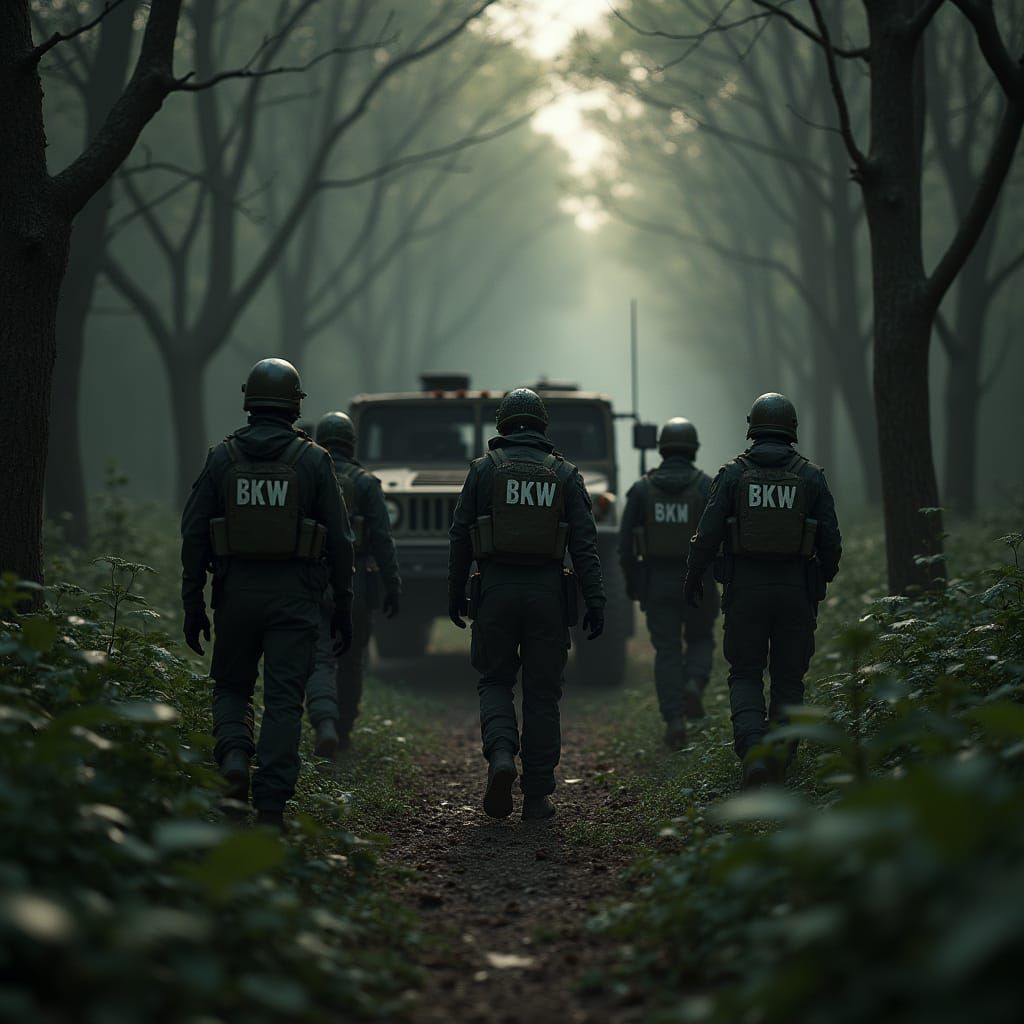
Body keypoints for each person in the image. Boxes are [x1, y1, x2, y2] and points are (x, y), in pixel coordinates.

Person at [180, 358, 354, 830]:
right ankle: (272, 806)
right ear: (296, 405)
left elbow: (194, 533)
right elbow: (340, 541)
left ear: (248, 401)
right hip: (296, 600)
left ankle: (235, 759)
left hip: (234, 595)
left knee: (233, 686)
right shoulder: (314, 461)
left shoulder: (223, 458)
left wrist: (193, 602)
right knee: (282, 700)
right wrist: (343, 607)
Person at [448, 387, 605, 821]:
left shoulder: (483, 470)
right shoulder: (566, 474)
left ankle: (501, 756)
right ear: (542, 425)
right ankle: (537, 796)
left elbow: (460, 536)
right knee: (542, 693)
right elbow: (586, 547)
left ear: (502, 424)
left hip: (495, 591)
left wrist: (454, 593)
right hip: (548, 596)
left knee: (495, 681)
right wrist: (596, 600)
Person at [683, 393, 841, 789]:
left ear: (752, 426)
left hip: (746, 590)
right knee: (789, 678)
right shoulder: (811, 477)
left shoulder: (733, 475)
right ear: (791, 428)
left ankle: (753, 754)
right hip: (796, 591)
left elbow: (708, 533)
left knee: (746, 673)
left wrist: (694, 573)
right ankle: (780, 759)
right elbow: (831, 542)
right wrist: (821, 577)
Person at [618, 418, 719, 750]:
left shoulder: (642, 489)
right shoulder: (707, 487)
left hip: (657, 581)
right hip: (700, 582)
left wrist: (635, 585)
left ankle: (675, 720)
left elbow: (625, 545)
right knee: (702, 638)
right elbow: (722, 537)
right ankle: (693, 683)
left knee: (667, 651)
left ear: (661, 448)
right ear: (693, 449)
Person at [305, 411, 401, 756]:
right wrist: (392, 586)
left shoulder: (308, 474)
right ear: (351, 442)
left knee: (319, 658)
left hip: (314, 579)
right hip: (357, 581)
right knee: (351, 658)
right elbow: (382, 541)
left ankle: (324, 722)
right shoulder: (365, 482)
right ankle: (343, 731)